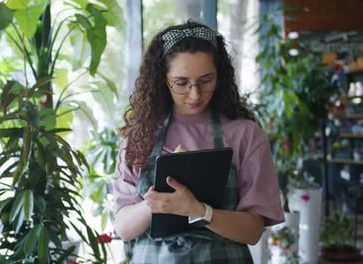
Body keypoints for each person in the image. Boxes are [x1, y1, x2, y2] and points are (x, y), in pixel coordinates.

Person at [112, 20, 285, 263]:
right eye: (181, 83)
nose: (195, 94)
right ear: (162, 79)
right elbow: (123, 228)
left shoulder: (245, 134)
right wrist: (159, 200)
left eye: (206, 80)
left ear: (220, 77)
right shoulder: (140, 137)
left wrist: (199, 210)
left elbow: (253, 231)